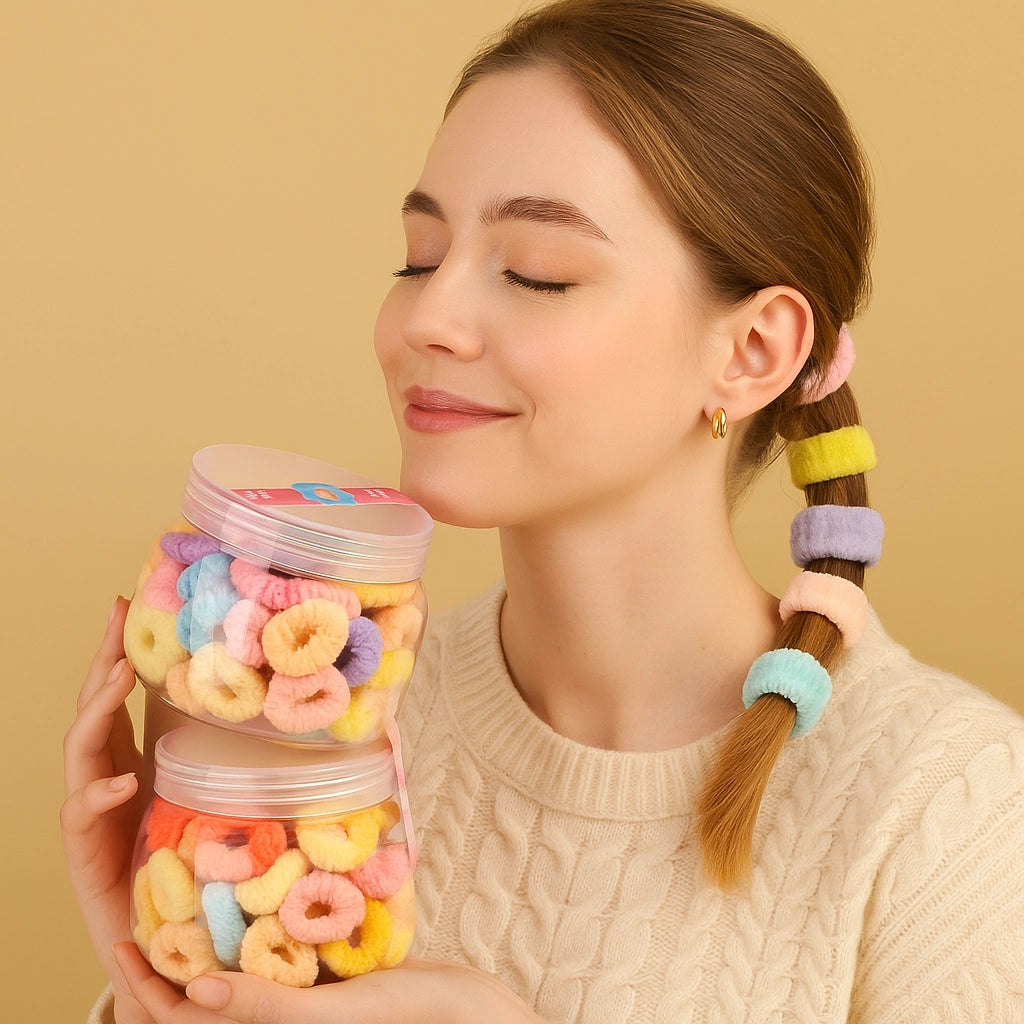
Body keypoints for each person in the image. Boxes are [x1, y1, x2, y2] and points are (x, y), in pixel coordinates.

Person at [62, 1, 1024, 1021]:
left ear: (750, 353)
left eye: (537, 272)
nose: (427, 318)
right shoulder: (327, 729)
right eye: (419, 255)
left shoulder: (948, 809)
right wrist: (162, 975)